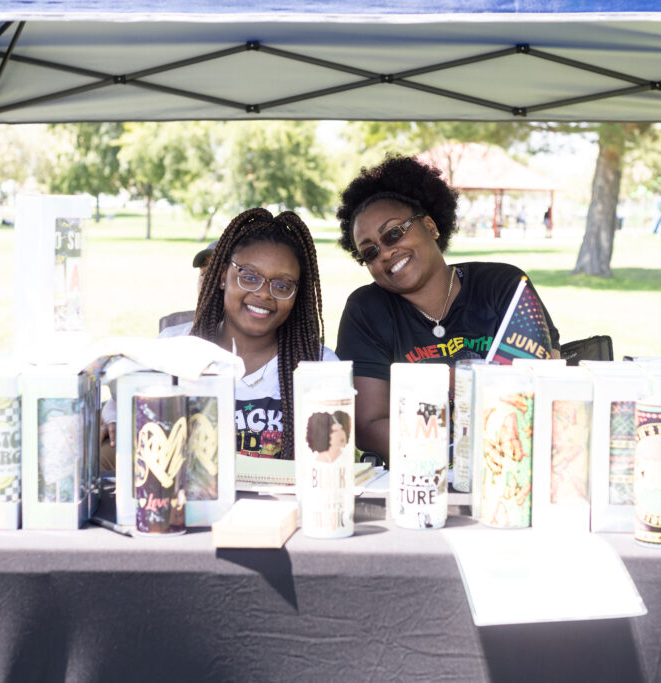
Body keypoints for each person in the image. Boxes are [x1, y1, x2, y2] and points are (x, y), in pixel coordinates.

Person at [334, 156, 561, 461]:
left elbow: (541, 384)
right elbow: (368, 426)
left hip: (510, 469)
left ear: (430, 226)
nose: (386, 253)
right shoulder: (366, 310)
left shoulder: (501, 286)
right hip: (416, 477)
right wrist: (465, 447)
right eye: (370, 252)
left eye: (393, 234)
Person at [103, 207, 335, 464]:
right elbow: (124, 399)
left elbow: (332, 458)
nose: (264, 294)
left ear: (296, 294)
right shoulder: (173, 348)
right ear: (223, 276)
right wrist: (112, 416)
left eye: (282, 285)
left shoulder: (320, 366)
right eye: (249, 277)